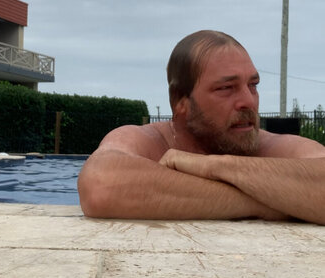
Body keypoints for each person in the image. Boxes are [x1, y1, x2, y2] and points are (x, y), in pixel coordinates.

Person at [77, 30, 325, 224]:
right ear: (180, 102)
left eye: (253, 85)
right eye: (226, 88)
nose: (249, 101)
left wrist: (213, 166)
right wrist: (266, 201)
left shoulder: (265, 145)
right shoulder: (151, 142)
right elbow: (100, 184)